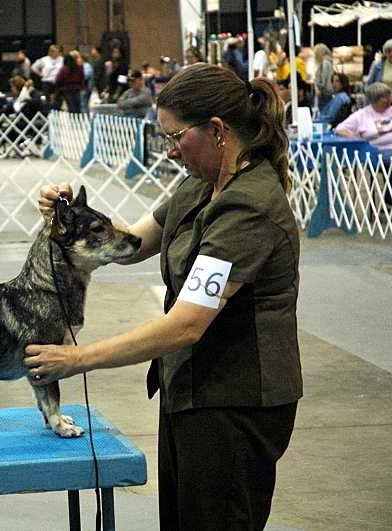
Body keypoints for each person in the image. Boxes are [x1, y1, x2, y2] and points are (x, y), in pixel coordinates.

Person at [28, 63, 301, 530]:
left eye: (176, 137)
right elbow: (131, 242)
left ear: (216, 130)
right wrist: (71, 217)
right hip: (189, 392)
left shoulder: (249, 208)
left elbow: (188, 323)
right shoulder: (201, 183)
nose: (171, 151)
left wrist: (79, 359)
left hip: (235, 404)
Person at [335, 82, 392, 152]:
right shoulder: (361, 115)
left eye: (389, 96)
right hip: (377, 151)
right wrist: (354, 136)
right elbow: (339, 129)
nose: (390, 99)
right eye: (386, 97)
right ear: (375, 100)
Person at [312, 44, 334, 111]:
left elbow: (322, 80)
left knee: (323, 112)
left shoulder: (324, 63)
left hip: (323, 93)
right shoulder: (329, 62)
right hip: (327, 92)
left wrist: (317, 86)